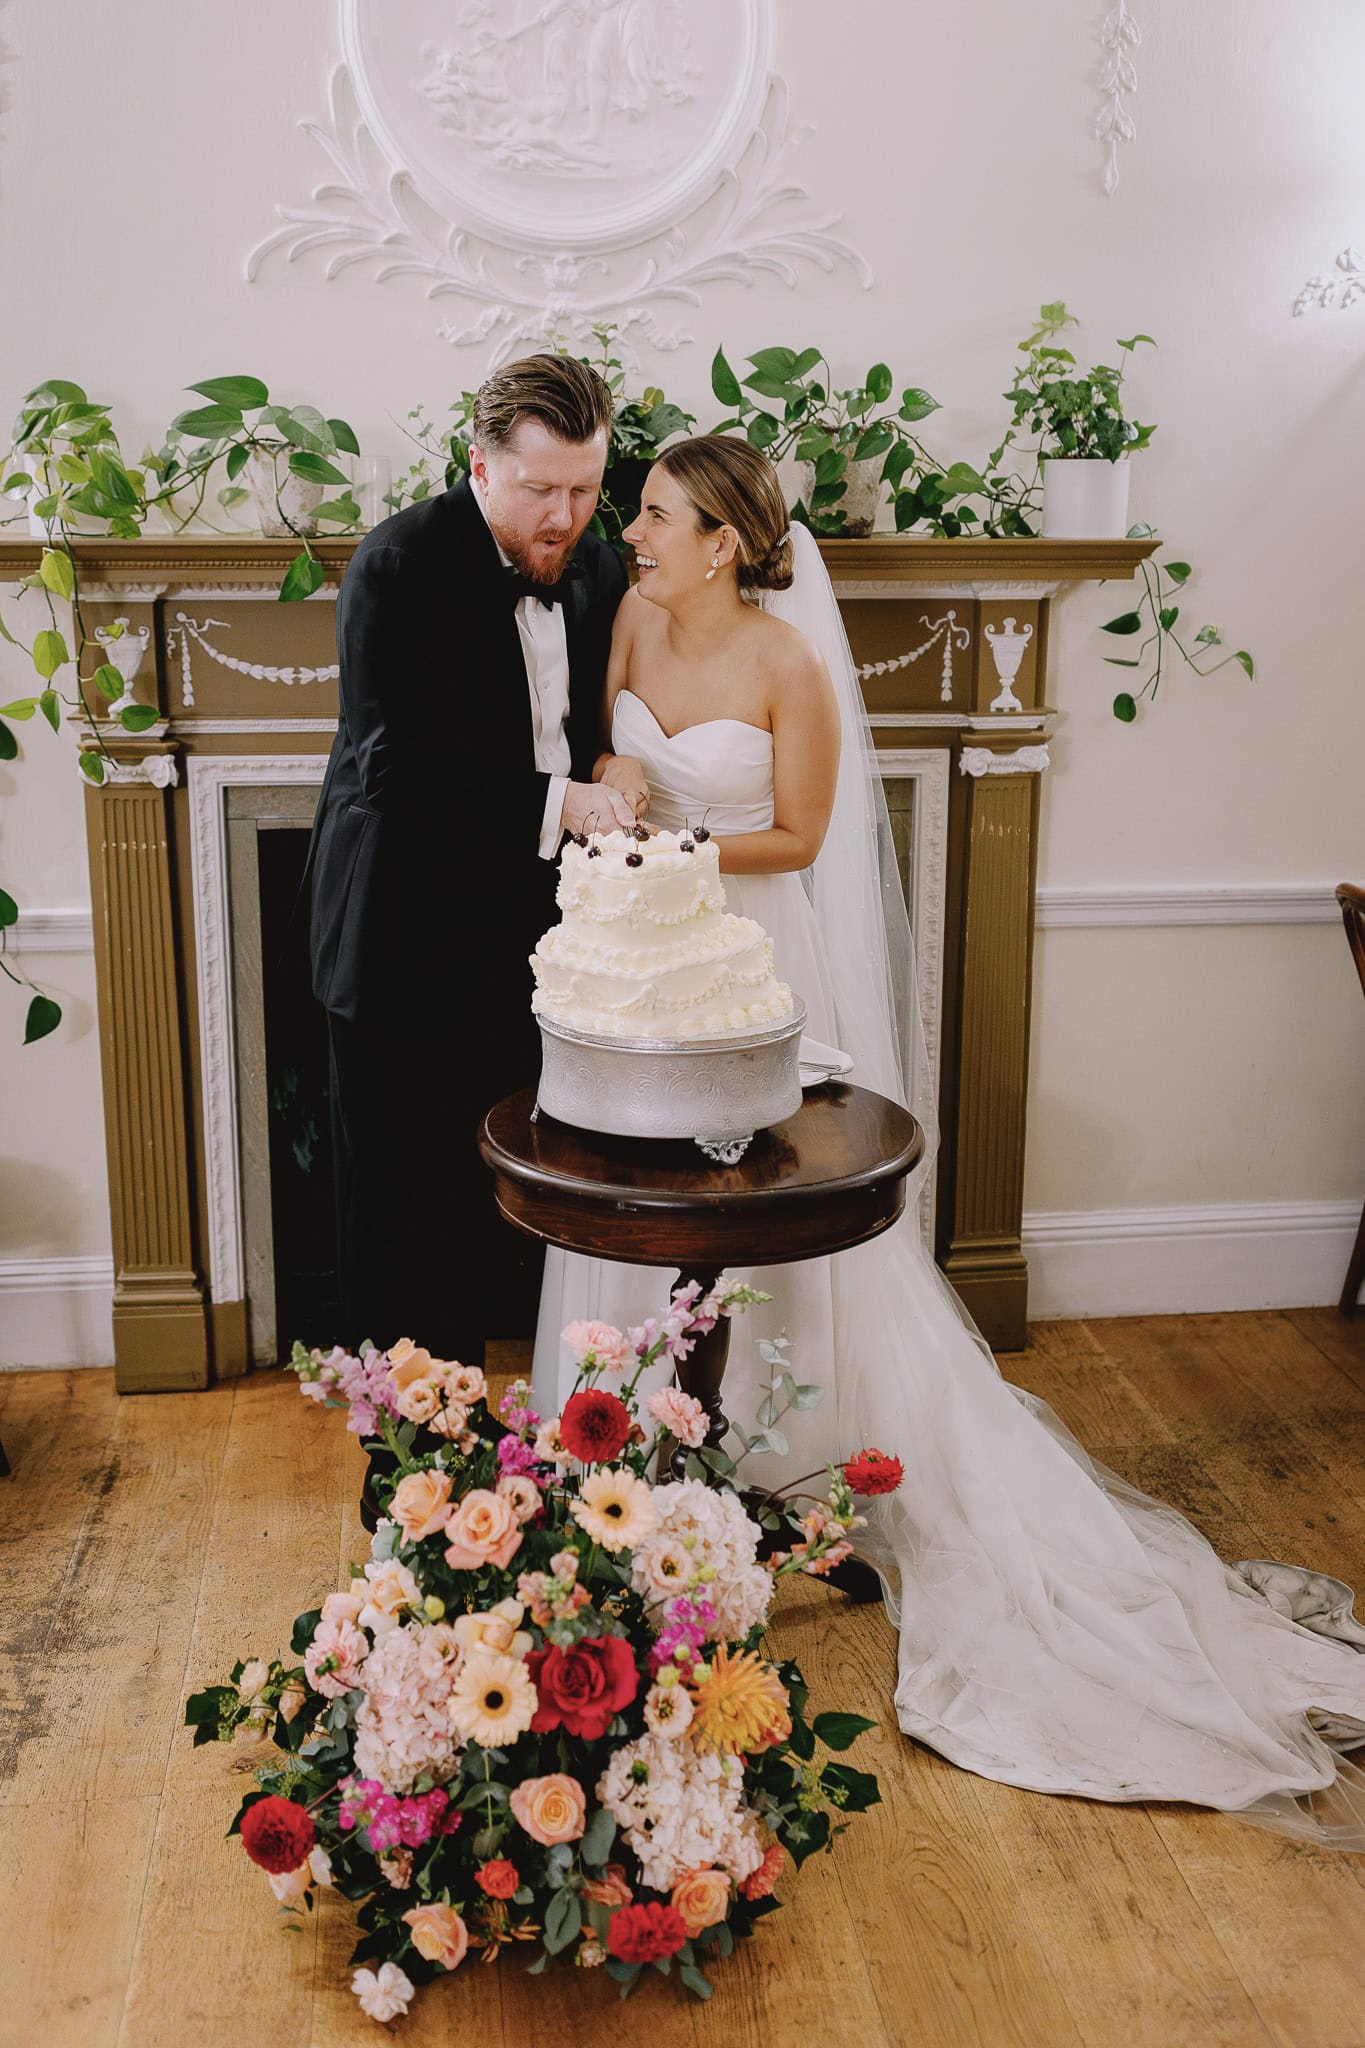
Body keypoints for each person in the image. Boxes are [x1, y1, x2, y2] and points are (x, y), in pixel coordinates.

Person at [532, 433, 1365, 1849]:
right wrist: (612, 783)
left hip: (750, 955)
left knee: (758, 1207)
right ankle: (648, 1470)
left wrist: (669, 845)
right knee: (644, 1195)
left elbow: (799, 836)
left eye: (657, 513)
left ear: (724, 539)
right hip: (642, 957)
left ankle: (793, 1468)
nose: (634, 530)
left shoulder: (790, 667)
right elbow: (610, 740)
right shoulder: (625, 611)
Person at [307, 352, 639, 1363]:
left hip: (529, 944)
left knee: (529, 1205)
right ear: (481, 465)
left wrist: (612, 759)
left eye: (584, 488)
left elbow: (587, 717)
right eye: (540, 488)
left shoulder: (598, 562)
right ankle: (405, 1477)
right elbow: (394, 773)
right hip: (400, 943)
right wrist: (563, 800)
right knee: (404, 1223)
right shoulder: (396, 564)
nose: (564, 515)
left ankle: (527, 1471)